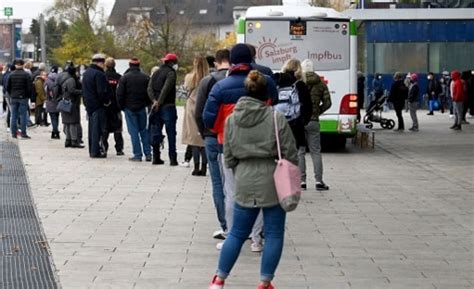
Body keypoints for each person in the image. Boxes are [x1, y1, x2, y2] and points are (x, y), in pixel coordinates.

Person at [207, 70, 297, 289]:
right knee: (274, 233)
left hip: (244, 179)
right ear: (267, 94)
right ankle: (265, 282)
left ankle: (219, 279)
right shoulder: (275, 118)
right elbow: (290, 152)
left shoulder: (231, 119)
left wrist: (240, 170)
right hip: (272, 180)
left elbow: (228, 156)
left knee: (237, 233)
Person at [203, 44, 278, 251]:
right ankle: (257, 239)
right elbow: (274, 106)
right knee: (261, 194)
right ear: (252, 58)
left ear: (233, 61)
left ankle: (231, 236)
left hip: (230, 146)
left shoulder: (221, 86)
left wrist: (223, 132)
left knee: (232, 192)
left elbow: (209, 119)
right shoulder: (267, 83)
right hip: (262, 145)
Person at [195, 49, 230, 240]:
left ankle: (225, 225)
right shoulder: (244, 79)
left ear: (216, 62)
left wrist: (205, 133)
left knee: (218, 182)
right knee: (236, 182)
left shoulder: (208, 81)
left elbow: (198, 112)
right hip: (237, 137)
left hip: (212, 136)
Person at [272, 58, 311, 176]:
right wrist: (303, 121)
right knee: (299, 152)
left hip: (277, 122)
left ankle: (280, 178)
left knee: (279, 150)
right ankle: (299, 180)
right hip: (296, 123)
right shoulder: (300, 85)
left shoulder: (276, 81)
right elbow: (308, 106)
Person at [298, 59, 331, 191]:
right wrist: (317, 112)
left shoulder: (298, 84)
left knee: (300, 152)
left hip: (300, 121)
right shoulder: (321, 84)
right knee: (315, 151)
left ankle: (302, 182)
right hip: (313, 121)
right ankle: (318, 181)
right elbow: (328, 103)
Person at [117, 58, 152, 162]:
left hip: (129, 108)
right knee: (143, 131)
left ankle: (137, 154)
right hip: (142, 107)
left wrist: (122, 106)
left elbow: (119, 94)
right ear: (139, 65)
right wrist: (146, 104)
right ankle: (148, 153)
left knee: (133, 132)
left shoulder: (125, 78)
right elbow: (149, 93)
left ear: (129, 65)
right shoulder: (145, 78)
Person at [149, 53, 179, 166]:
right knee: (171, 133)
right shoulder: (171, 73)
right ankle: (172, 158)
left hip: (156, 107)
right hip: (168, 106)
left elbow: (149, 88)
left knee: (156, 132)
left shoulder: (156, 73)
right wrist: (159, 102)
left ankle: (156, 157)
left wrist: (154, 101)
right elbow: (166, 89)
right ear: (172, 63)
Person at [182, 56, 209, 175]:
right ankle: (204, 166)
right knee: (203, 139)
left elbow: (186, 89)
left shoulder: (189, 77)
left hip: (191, 107)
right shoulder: (209, 78)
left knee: (194, 140)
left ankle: (196, 167)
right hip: (205, 107)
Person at [82, 54, 111, 158]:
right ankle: (96, 151)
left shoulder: (86, 73)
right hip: (98, 105)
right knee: (97, 129)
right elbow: (101, 91)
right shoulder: (99, 74)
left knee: (92, 129)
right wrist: (106, 101)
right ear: (100, 63)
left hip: (89, 104)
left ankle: (92, 150)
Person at [104, 57, 125, 156]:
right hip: (116, 107)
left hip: (105, 106)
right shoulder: (119, 77)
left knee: (104, 128)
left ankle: (104, 147)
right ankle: (119, 149)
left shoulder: (103, 77)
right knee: (118, 129)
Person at [7, 59, 32, 139]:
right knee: (23, 115)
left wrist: (12, 94)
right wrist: (28, 96)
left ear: (15, 65)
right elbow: (29, 87)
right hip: (23, 97)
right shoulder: (26, 75)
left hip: (13, 97)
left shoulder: (11, 75)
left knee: (13, 115)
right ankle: (23, 133)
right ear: (22, 65)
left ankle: (14, 133)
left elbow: (7, 87)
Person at [61, 65, 84, 148]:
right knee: (73, 123)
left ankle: (68, 140)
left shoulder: (65, 79)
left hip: (65, 102)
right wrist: (81, 91)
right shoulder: (71, 80)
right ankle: (74, 141)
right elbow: (72, 90)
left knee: (67, 123)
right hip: (71, 103)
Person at [45, 66, 61, 139]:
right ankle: (55, 131)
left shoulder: (47, 80)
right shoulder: (59, 79)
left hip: (50, 101)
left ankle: (55, 131)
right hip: (58, 101)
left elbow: (45, 90)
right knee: (57, 117)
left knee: (52, 117)